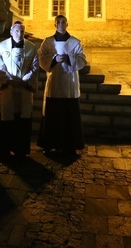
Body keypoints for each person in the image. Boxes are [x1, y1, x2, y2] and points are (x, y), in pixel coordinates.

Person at [37, 14, 87, 160]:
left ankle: (70, 146)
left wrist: (69, 58)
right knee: (52, 115)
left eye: (63, 22)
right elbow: (41, 57)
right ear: (54, 24)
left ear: (67, 24)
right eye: (58, 22)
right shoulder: (48, 42)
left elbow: (82, 59)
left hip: (69, 83)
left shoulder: (75, 42)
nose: (60, 24)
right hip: (55, 82)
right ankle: (49, 144)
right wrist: (53, 59)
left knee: (70, 115)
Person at [0, 21, 39, 161]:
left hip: (24, 89)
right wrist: (9, 80)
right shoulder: (1, 47)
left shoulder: (31, 47)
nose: (19, 34)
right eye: (17, 31)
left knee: (22, 120)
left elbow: (35, 67)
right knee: (6, 119)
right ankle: (3, 150)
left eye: (22, 31)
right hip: (8, 88)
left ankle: (21, 150)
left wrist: (24, 80)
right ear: (11, 32)